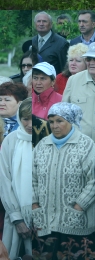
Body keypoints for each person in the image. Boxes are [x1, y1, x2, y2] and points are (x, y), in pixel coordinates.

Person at [32, 102, 95, 259]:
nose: (54, 126)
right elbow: (32, 178)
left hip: (75, 221)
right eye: (51, 121)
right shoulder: (42, 145)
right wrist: (35, 204)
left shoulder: (86, 145)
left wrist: (79, 207)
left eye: (60, 121)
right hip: (46, 221)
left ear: (71, 121)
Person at [0, 98, 32, 259]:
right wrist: (16, 218)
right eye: (25, 119)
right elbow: (4, 181)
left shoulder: (47, 140)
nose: (30, 124)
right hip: (16, 213)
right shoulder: (11, 141)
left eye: (33, 118)